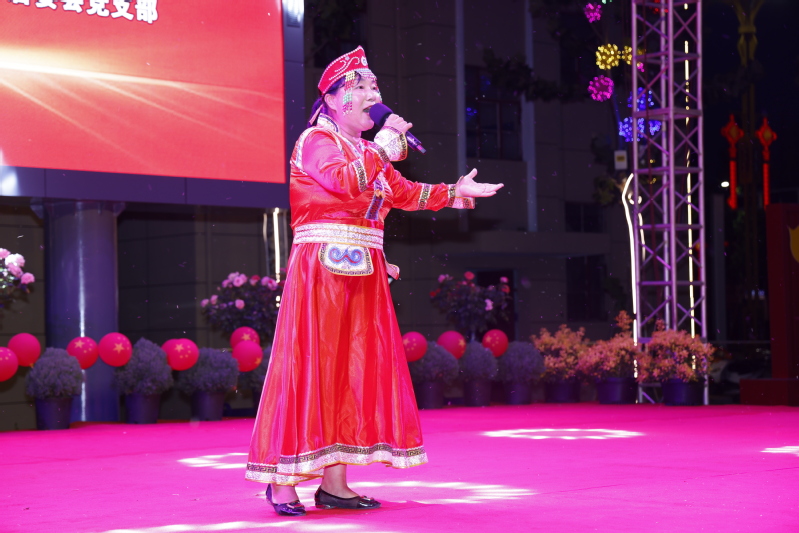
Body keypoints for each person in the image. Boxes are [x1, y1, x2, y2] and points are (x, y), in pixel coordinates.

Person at [245, 46, 503, 517]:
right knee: (310, 368)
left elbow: (404, 193)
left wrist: (454, 192)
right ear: (333, 99)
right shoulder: (315, 141)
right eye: (360, 87)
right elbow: (343, 183)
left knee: (352, 374)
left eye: (374, 86)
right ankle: (281, 481)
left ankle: (334, 484)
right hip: (320, 272)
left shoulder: (369, 152)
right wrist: (384, 147)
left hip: (364, 273)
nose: (372, 94)